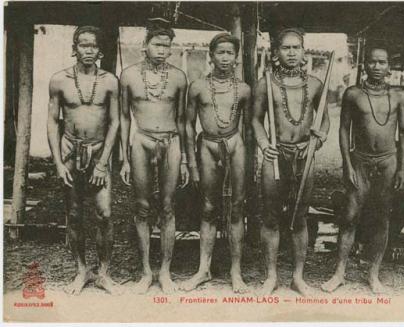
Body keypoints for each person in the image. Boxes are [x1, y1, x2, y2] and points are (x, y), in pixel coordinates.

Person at [321, 43, 404, 294]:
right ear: (365, 65)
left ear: (389, 67)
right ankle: (339, 273)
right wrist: (346, 164)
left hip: (387, 163)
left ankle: (373, 275)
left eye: (382, 62)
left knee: (382, 218)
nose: (377, 67)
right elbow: (343, 130)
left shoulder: (398, 97)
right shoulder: (353, 94)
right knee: (349, 217)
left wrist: (402, 168)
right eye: (372, 62)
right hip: (359, 160)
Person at [252, 28, 330, 296]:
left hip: (304, 156)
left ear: (304, 52)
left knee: (299, 217)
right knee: (271, 217)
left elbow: (325, 120)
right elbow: (255, 120)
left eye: (297, 47)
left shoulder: (316, 84)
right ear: (276, 53)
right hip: (275, 156)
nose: (292, 52)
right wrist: (264, 145)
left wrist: (317, 142)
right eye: (286, 48)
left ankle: (298, 277)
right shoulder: (266, 83)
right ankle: (271, 277)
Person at [47, 26, 120, 295]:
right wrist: (57, 162)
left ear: (100, 50)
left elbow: (115, 122)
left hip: (99, 151)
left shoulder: (110, 81)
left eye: (93, 46)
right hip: (69, 151)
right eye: (83, 45)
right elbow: (52, 122)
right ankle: (81, 271)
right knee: (75, 215)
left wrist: (103, 163)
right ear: (74, 47)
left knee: (105, 213)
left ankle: (103, 273)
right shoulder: (59, 80)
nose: (88, 50)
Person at [119, 18, 189, 294]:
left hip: (171, 142)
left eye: (167, 46)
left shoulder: (179, 77)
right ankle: (146, 272)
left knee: (169, 206)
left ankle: (166, 272)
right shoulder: (129, 75)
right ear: (145, 46)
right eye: (157, 44)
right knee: (142, 206)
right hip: (142, 141)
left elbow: (183, 121)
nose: (162, 50)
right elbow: (124, 117)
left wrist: (184, 158)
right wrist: (124, 157)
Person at [181, 33, 251, 294]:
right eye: (219, 52)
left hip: (235, 146)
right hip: (207, 146)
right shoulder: (197, 86)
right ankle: (203, 269)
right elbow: (187, 125)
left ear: (236, 57)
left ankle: (236, 271)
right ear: (211, 56)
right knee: (209, 208)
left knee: (236, 208)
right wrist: (191, 162)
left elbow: (252, 127)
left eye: (229, 53)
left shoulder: (243, 89)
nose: (224, 57)